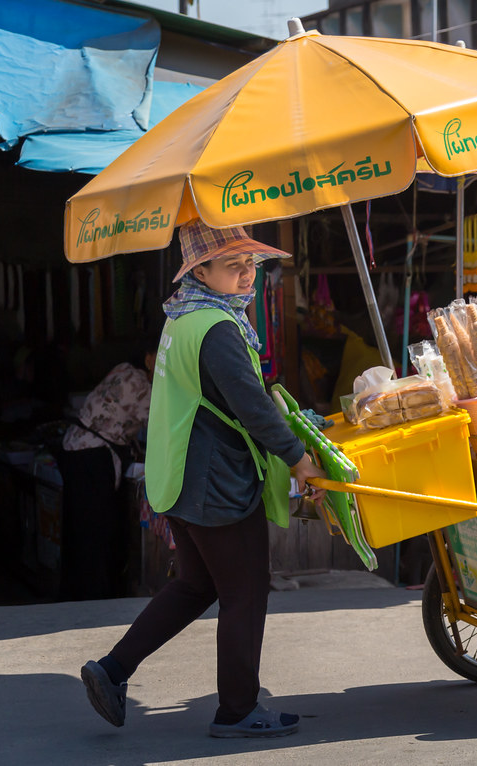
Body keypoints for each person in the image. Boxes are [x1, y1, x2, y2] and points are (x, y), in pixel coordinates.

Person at [80, 219, 326, 738]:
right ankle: (237, 710)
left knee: (196, 585)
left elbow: (229, 396)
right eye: (233, 265)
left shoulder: (184, 316)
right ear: (201, 270)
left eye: (251, 264)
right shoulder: (215, 328)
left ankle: (112, 670)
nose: (246, 276)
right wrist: (298, 456)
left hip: (183, 478)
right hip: (216, 484)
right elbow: (251, 407)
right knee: (245, 592)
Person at [57, 348, 156, 600]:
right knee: (96, 531)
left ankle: (75, 593)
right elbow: (160, 425)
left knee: (79, 528)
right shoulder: (141, 384)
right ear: (147, 358)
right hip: (93, 455)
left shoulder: (123, 367)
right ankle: (95, 596)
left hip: (74, 447)